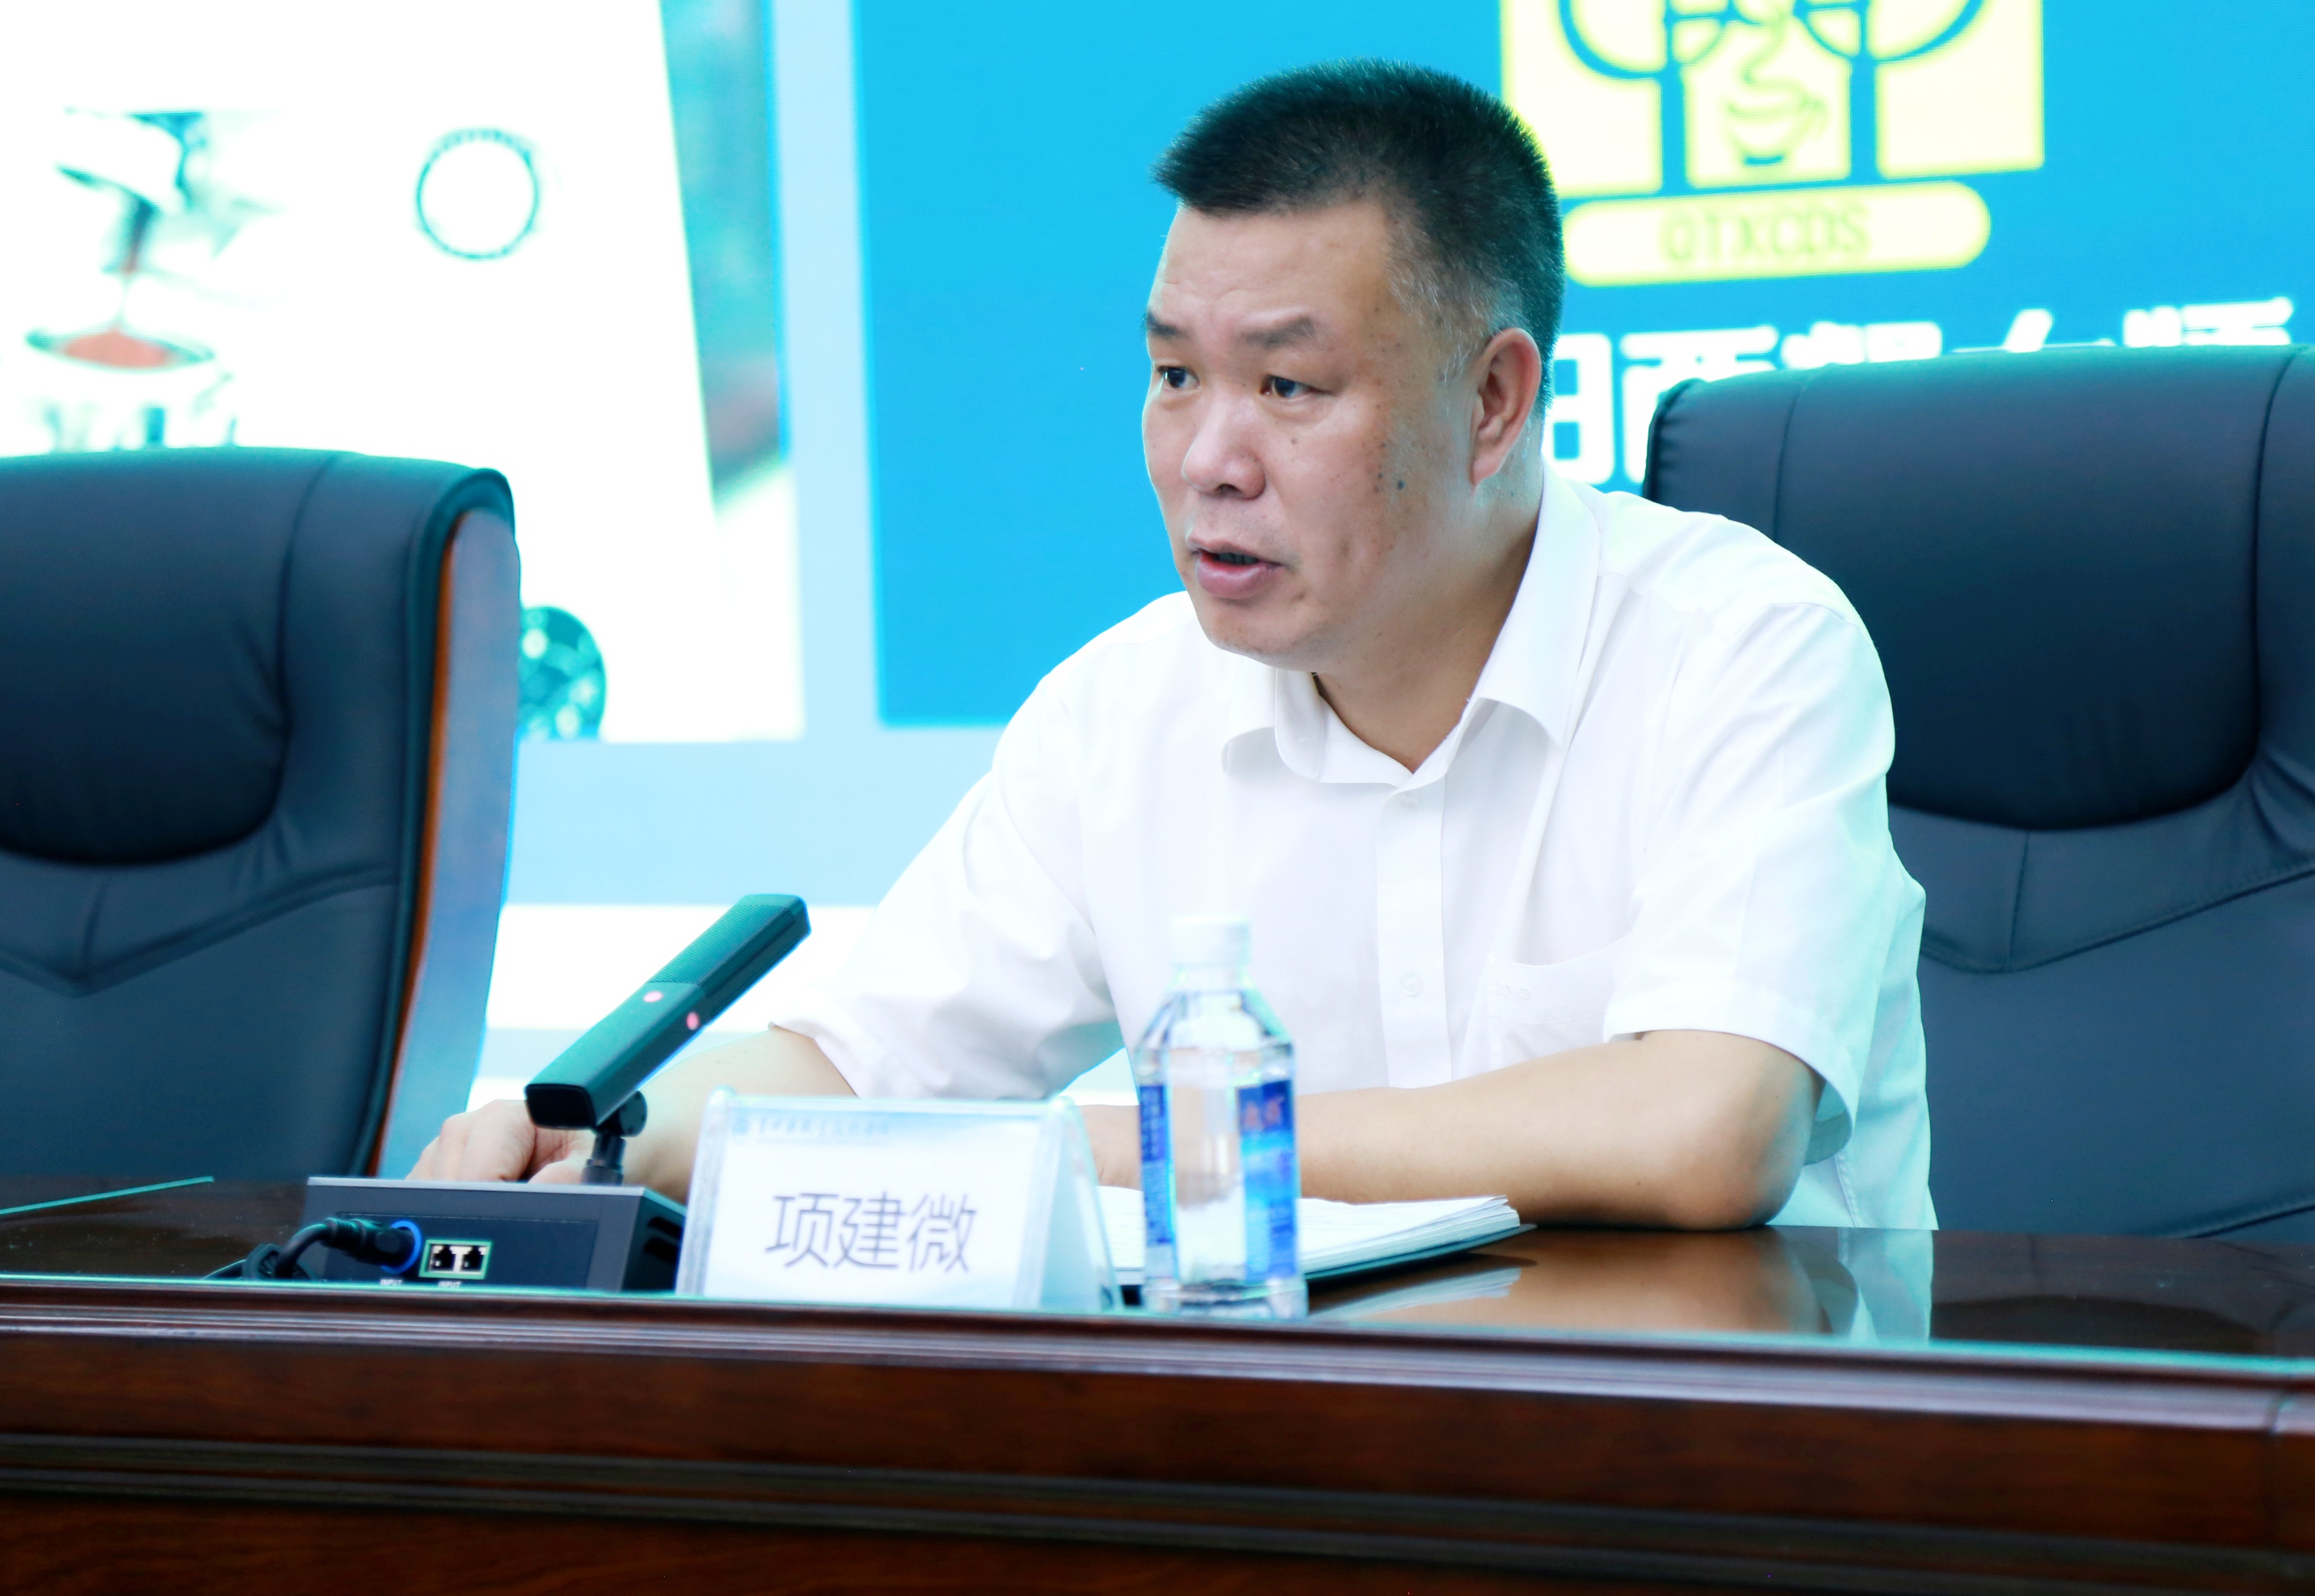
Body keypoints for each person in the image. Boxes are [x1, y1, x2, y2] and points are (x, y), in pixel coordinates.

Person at [417, 60, 1934, 1230]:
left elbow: (1702, 1129)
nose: (1207, 459)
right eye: (1171, 376)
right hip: (1279, 1465)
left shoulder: (1743, 649)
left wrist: (1128, 1144)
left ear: (1491, 402)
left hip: (1712, 1454)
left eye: (1287, 388)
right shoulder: (1122, 711)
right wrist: (609, 1135)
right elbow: (854, 1069)